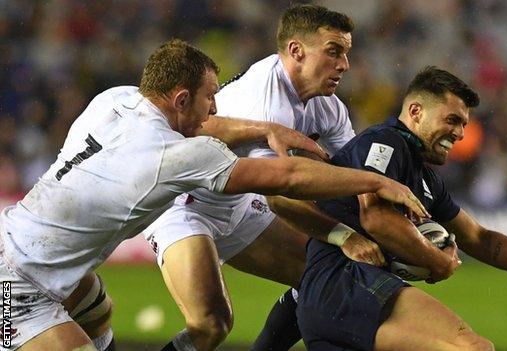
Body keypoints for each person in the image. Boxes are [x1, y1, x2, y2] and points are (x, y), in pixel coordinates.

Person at [0, 39, 426, 351]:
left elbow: (201, 127)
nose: (216, 110)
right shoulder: (175, 157)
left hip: (23, 239)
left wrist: (264, 129)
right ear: (182, 99)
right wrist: (375, 181)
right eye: (209, 97)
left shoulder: (115, 99)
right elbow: (288, 178)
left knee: (97, 312)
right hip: (16, 282)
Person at [295, 66, 507, 351]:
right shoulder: (386, 144)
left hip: (333, 304)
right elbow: (375, 217)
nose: (460, 134)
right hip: (345, 286)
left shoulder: (426, 179)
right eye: (452, 120)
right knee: (474, 348)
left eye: (463, 124)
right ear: (416, 111)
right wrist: (437, 260)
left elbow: (480, 238)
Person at [141, 5, 391, 350]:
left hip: (239, 206)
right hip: (185, 206)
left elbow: (354, 175)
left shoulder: (328, 107)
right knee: (211, 324)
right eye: (333, 52)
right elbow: (278, 195)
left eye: (346, 53)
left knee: (322, 277)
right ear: (296, 51)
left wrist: (390, 217)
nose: (344, 64)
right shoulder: (267, 100)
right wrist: (342, 234)